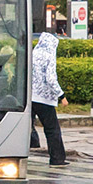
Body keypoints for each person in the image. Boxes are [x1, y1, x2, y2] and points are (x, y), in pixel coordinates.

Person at [30, 32, 69, 166]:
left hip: (29, 98)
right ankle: (57, 159)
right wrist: (61, 95)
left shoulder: (32, 54)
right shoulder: (49, 56)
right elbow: (51, 79)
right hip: (44, 99)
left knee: (26, 127)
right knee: (52, 129)